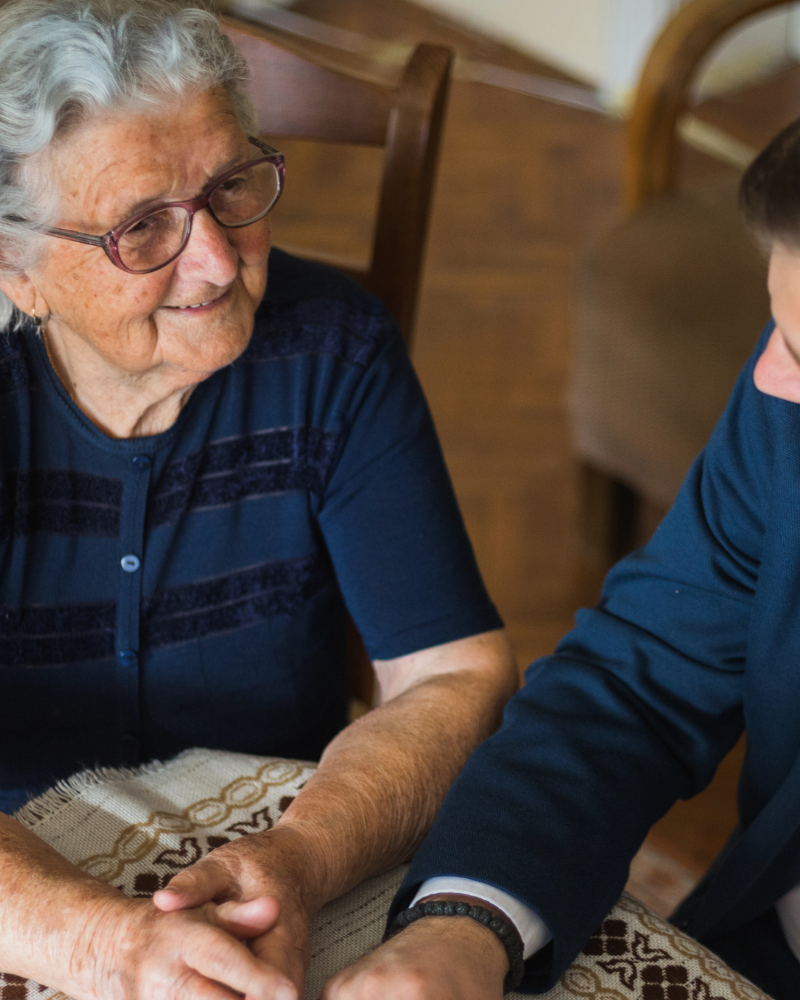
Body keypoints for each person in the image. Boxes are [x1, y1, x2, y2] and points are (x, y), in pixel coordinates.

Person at [0, 2, 517, 1000]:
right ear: (18, 269)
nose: (220, 259)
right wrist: (109, 946)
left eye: (231, 186)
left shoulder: (332, 351)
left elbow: (455, 674)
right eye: (141, 227)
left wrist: (303, 858)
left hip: (277, 877)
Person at [321, 118, 800, 1000]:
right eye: (782, 330)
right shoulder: (784, 399)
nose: (770, 383)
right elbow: (638, 681)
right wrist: (470, 924)